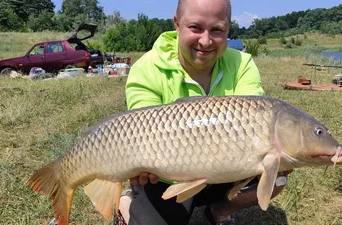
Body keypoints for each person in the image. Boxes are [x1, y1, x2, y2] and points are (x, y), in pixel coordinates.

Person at [115, 0, 292, 224]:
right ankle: (127, 202)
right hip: (165, 177)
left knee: (278, 175)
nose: (205, 41)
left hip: (225, 172)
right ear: (177, 24)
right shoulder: (147, 69)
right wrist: (143, 165)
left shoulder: (242, 64)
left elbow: (256, 123)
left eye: (217, 30)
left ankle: (219, 210)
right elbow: (143, 132)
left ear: (228, 29)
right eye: (195, 28)